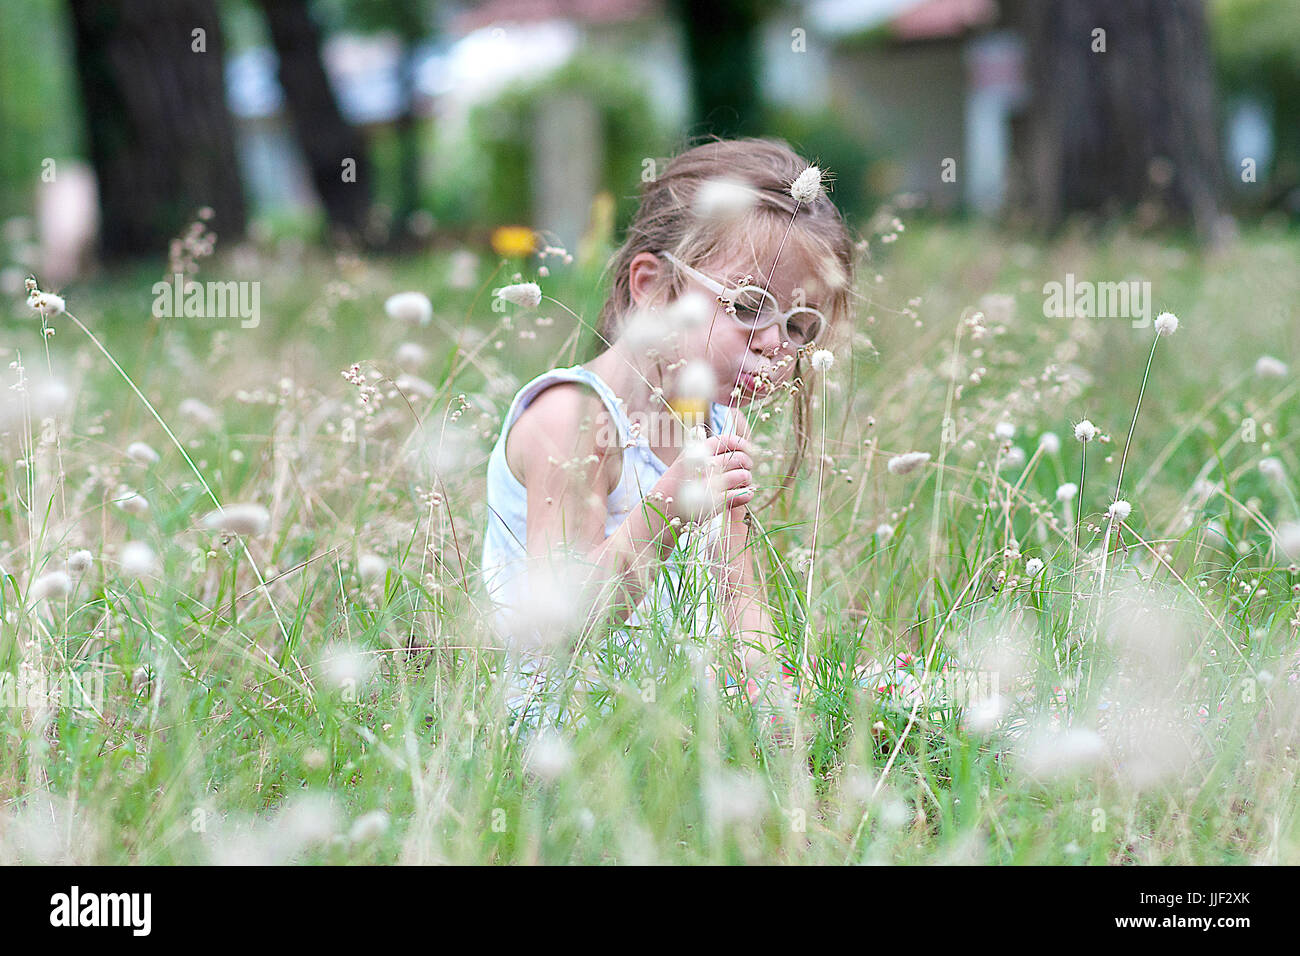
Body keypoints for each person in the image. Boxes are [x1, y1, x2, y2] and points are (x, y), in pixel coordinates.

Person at [481, 137, 856, 724]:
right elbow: (562, 626)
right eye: (747, 306)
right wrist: (668, 505)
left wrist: (782, 705)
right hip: (568, 737)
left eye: (800, 325)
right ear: (652, 287)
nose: (774, 344)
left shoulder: (712, 422)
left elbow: (739, 599)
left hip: (679, 724)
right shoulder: (572, 419)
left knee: (902, 695)